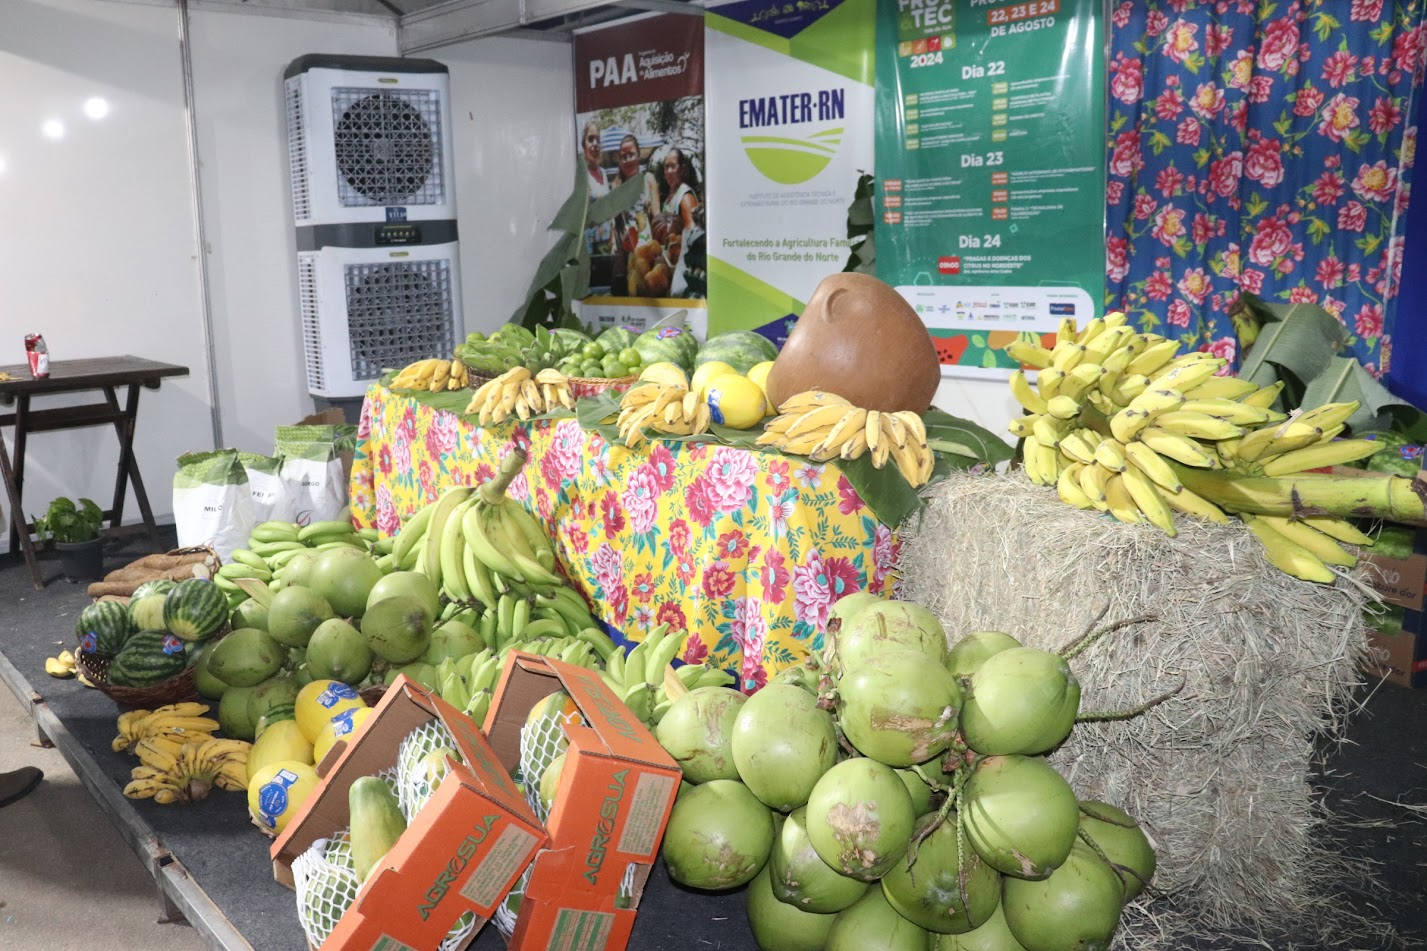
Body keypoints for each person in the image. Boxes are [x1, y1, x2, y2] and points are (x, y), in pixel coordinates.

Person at [581, 120, 613, 256]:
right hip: (589, 248)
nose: (595, 143)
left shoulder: (603, 173)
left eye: (597, 140)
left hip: (606, 245)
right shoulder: (580, 173)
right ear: (584, 145)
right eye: (590, 139)